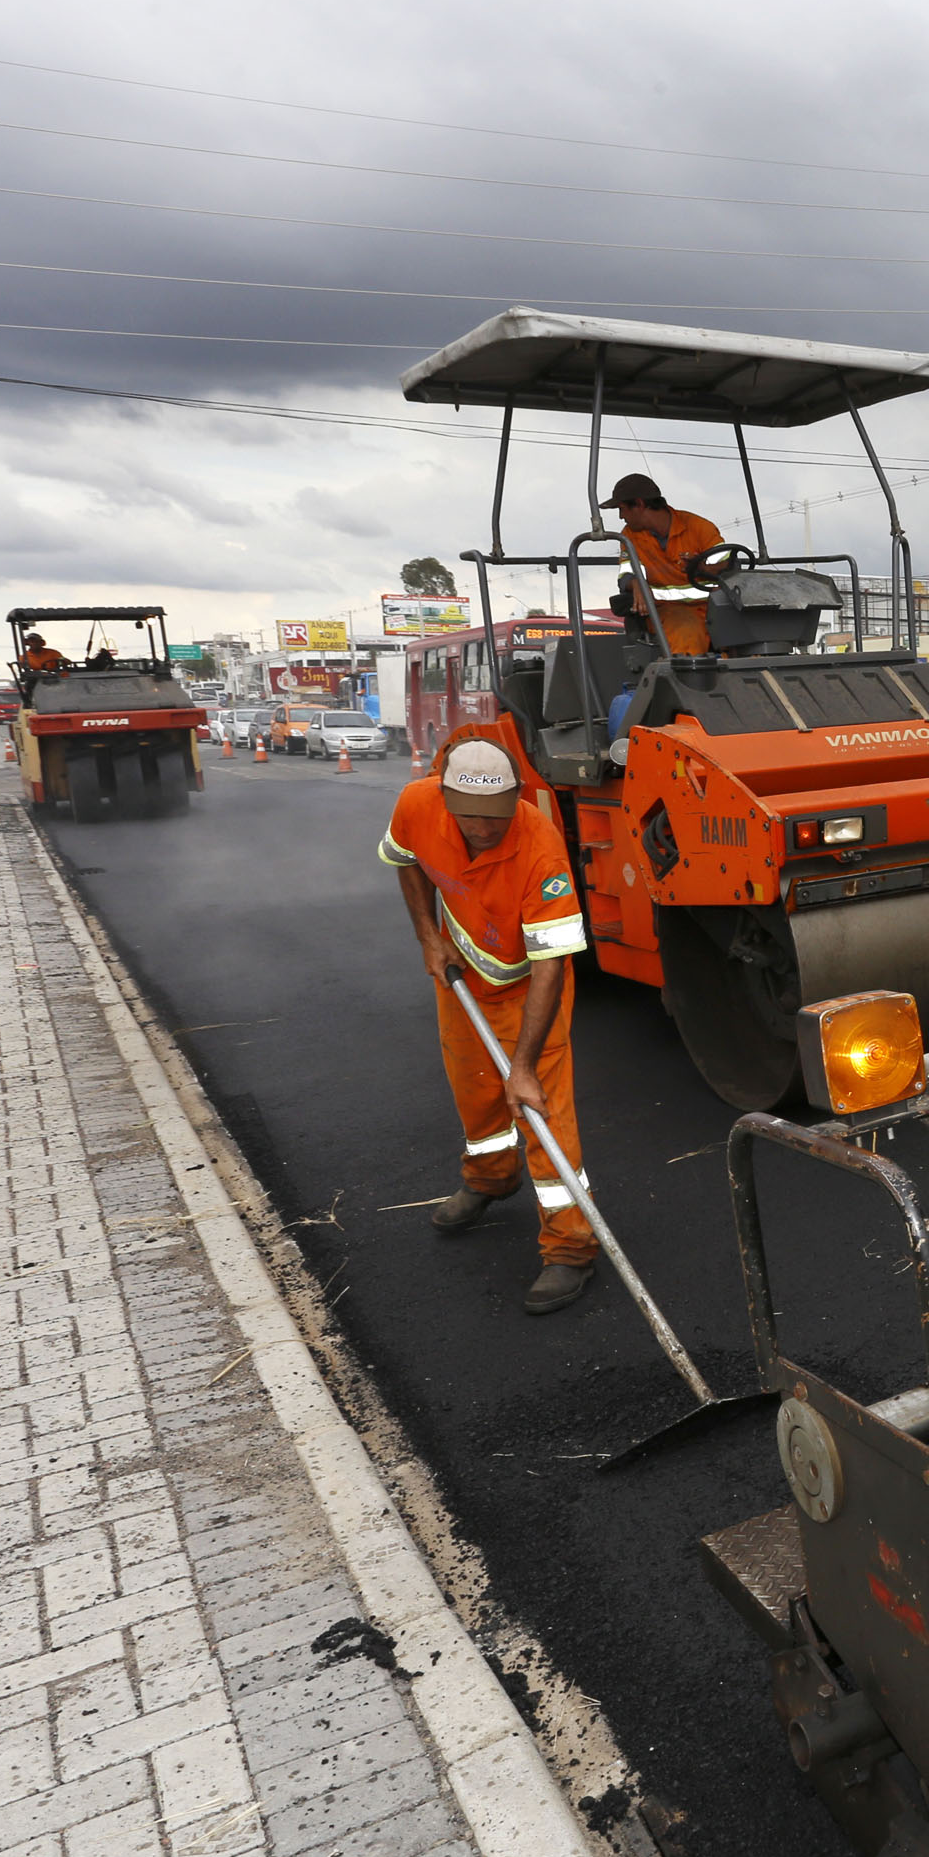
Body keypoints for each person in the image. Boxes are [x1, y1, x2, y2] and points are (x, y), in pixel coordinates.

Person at [380, 735, 600, 1313]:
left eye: (496, 819)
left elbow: (553, 961)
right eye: (470, 818)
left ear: (515, 802)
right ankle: (489, 1177)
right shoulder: (417, 804)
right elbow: (407, 862)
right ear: (446, 800)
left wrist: (523, 1066)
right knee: (475, 1089)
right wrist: (428, 937)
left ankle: (570, 1248)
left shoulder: (540, 849)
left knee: (539, 1107)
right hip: (461, 972)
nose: (483, 829)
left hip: (532, 988)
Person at [607, 473, 727, 658]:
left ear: (639, 504)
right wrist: (636, 583)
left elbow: (728, 567)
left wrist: (701, 568)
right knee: (686, 630)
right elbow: (626, 573)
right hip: (667, 610)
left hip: (715, 606)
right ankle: (688, 682)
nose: (622, 516)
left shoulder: (699, 527)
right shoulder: (629, 536)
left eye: (622, 509)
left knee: (749, 630)